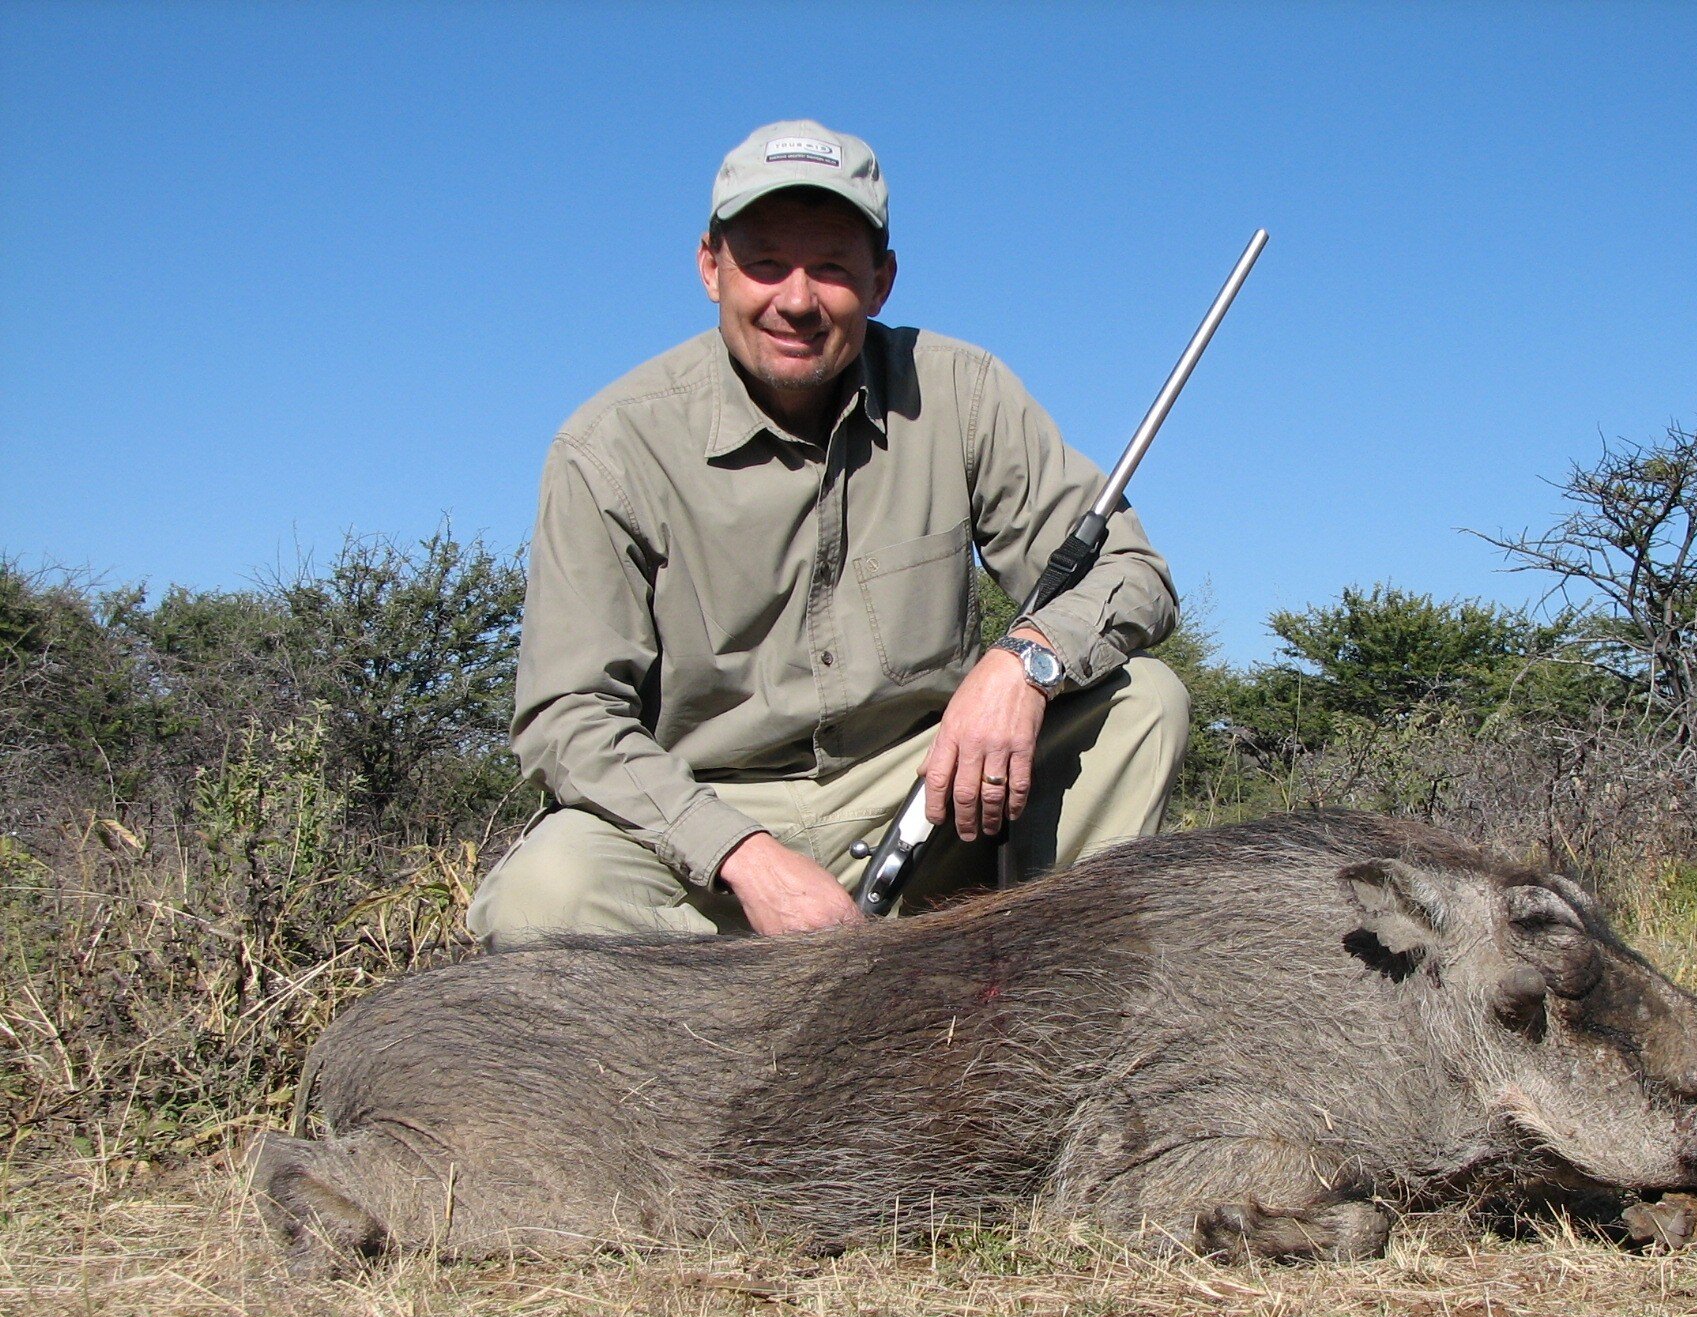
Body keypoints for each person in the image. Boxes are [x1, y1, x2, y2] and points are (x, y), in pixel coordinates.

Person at [467, 120, 1189, 943]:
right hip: (704, 822)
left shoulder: (965, 392)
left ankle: (1031, 1005)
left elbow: (1131, 570)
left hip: (924, 792)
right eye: (766, 262)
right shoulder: (608, 449)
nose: (798, 300)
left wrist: (1023, 663)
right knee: (544, 896)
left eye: (834, 268)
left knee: (1142, 705)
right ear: (711, 267)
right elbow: (569, 716)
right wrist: (743, 854)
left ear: (881, 282)